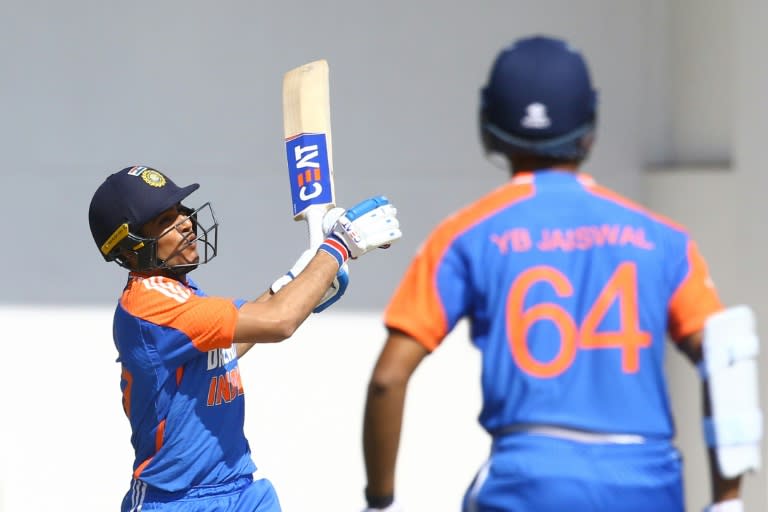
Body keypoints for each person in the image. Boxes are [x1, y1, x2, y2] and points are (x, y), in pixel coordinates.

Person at [361, 36, 761, 512]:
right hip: (647, 486)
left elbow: (389, 378)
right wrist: (727, 503)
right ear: (589, 129)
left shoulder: (465, 235)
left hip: (528, 484)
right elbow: (727, 356)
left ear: (489, 128)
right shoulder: (666, 240)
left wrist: (379, 501)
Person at [88, 164, 401, 512]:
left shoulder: (179, 291)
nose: (186, 223)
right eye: (165, 221)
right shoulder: (150, 304)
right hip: (177, 501)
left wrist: (297, 279)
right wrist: (338, 246)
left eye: (179, 212)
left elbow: (230, 342)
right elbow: (279, 321)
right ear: (131, 248)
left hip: (241, 490)